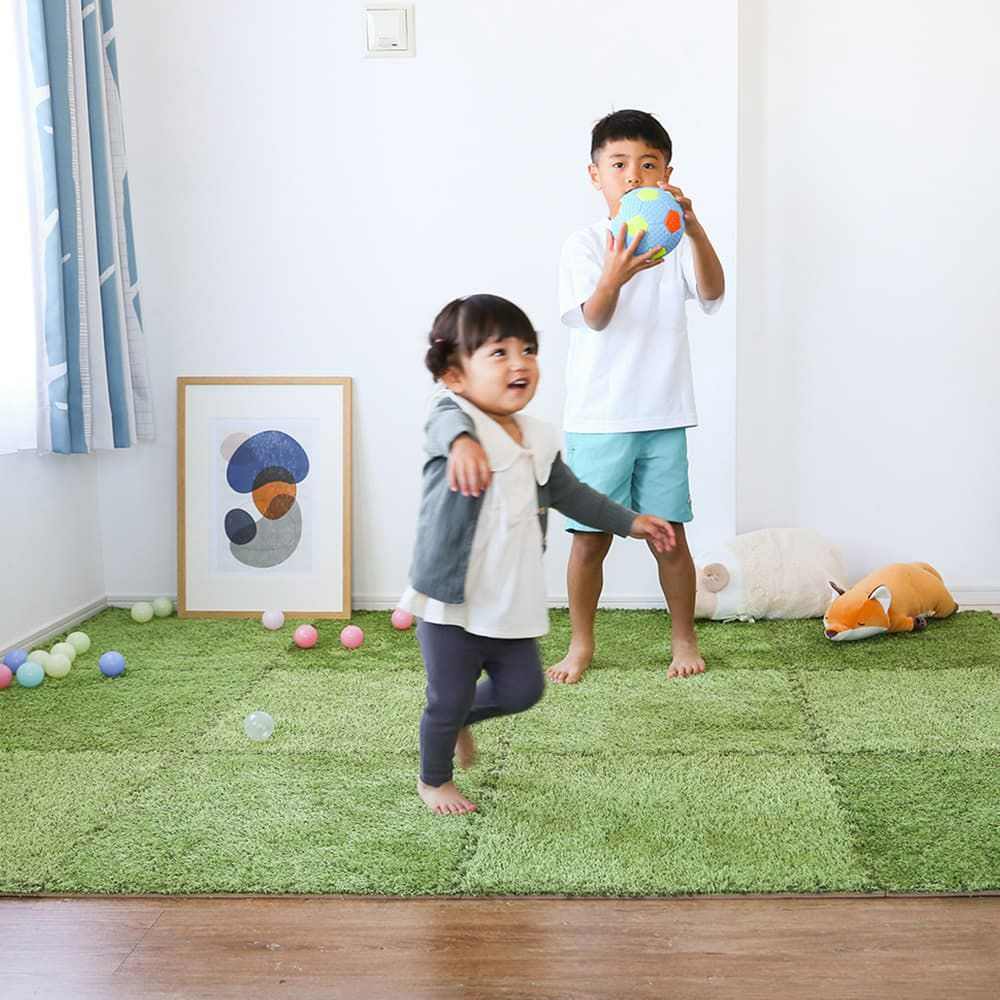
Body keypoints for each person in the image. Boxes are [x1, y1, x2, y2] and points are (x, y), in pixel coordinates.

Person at [399, 294, 676, 815]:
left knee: (524, 690)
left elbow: (574, 495)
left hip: (511, 599)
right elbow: (442, 423)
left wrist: (631, 521)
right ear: (454, 375)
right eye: (498, 353)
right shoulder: (452, 420)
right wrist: (462, 444)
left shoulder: (538, 437)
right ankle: (434, 780)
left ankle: (462, 718)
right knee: (446, 697)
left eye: (527, 350)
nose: (519, 362)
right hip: (452, 603)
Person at [548, 109, 726, 685]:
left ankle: (683, 637)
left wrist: (694, 229)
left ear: (666, 176)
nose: (633, 175)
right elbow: (595, 318)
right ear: (595, 175)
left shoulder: (674, 245)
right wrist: (617, 272)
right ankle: (581, 643)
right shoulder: (585, 245)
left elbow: (713, 292)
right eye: (619, 164)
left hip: (663, 415)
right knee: (590, 539)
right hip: (599, 420)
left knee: (670, 538)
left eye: (648, 165)